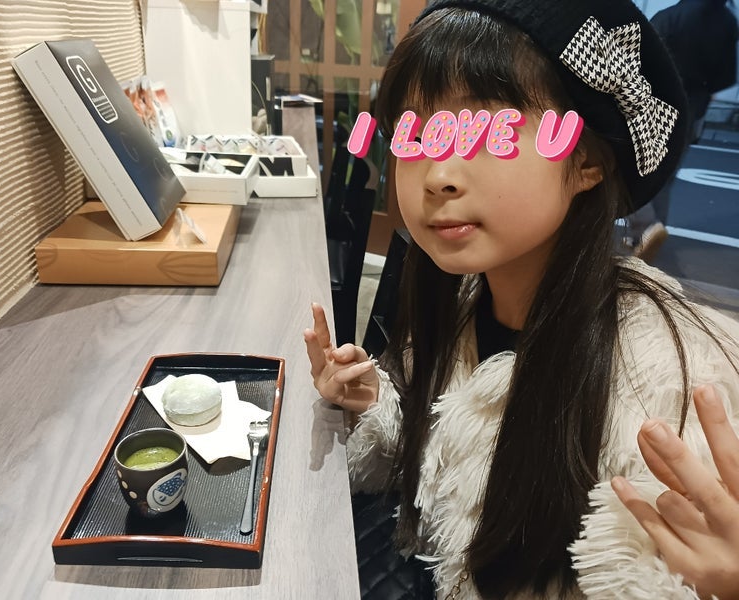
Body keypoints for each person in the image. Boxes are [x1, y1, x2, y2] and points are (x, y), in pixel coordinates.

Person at [303, 0, 739, 598]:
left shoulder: (661, 384)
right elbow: (442, 464)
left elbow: (653, 573)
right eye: (418, 135)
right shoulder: (459, 299)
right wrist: (372, 401)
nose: (437, 174)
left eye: (492, 133)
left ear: (586, 161)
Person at [623, 0, 739, 261]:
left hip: (656, 104)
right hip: (692, 108)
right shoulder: (727, 21)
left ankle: (645, 226)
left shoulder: (669, 17)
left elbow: (637, 62)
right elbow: (724, 77)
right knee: (665, 177)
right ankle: (649, 235)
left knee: (629, 171)